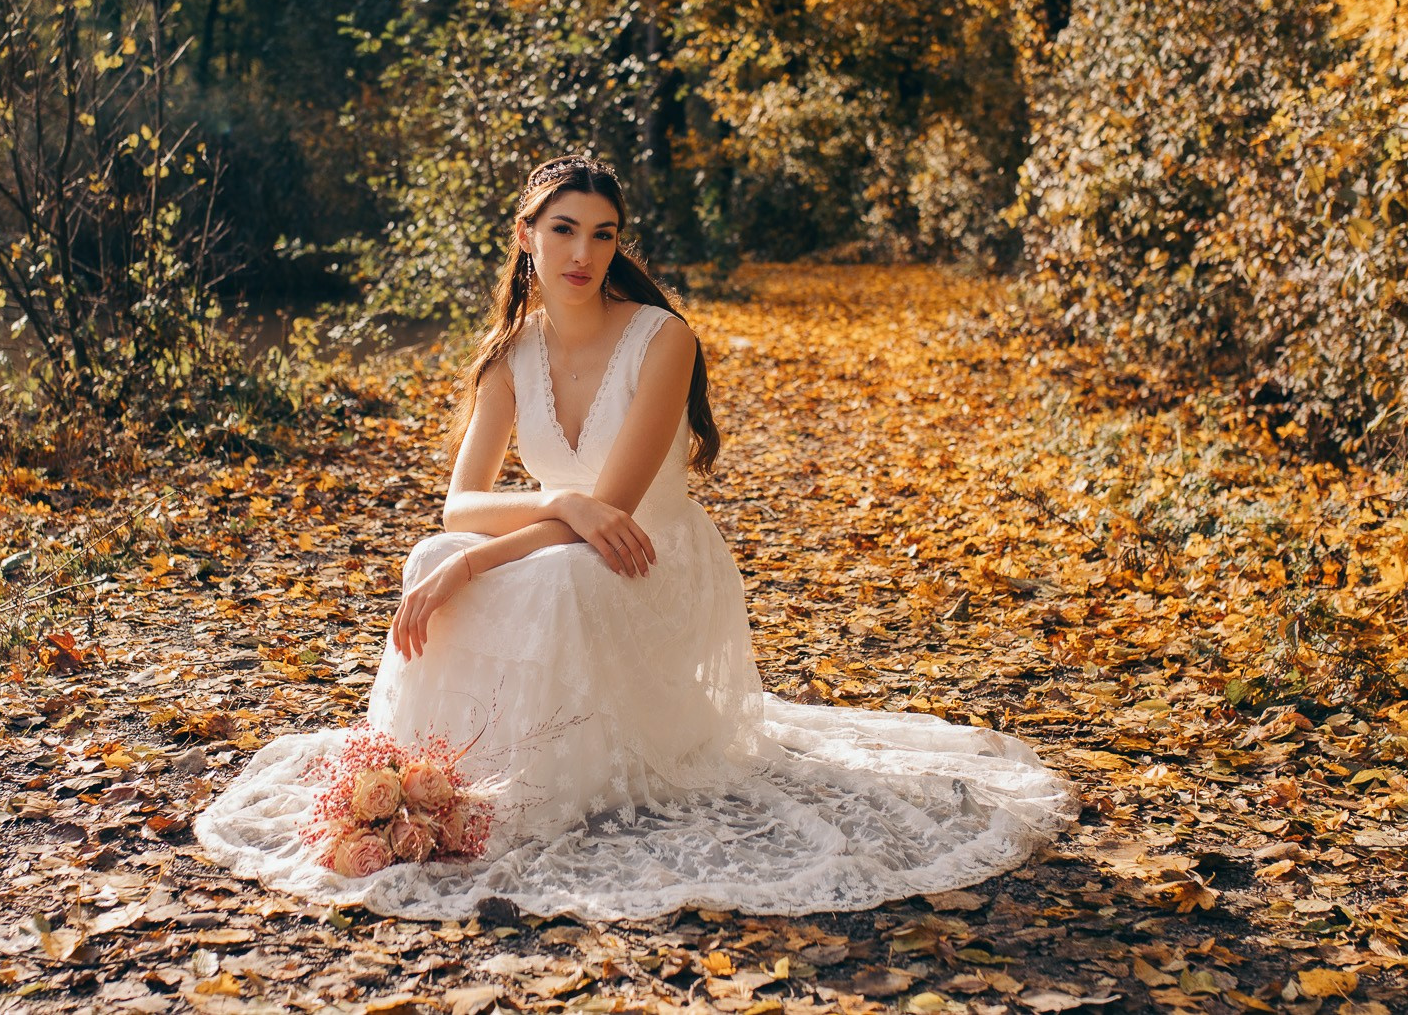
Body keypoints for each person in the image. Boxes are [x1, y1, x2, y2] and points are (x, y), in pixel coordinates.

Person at [193, 155, 1078, 920]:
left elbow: (611, 512)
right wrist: (527, 524)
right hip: (576, 540)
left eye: (605, 234)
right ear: (525, 235)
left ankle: (536, 789)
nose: (584, 254)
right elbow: (458, 502)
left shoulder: (665, 340)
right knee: (432, 556)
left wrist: (494, 547)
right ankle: (441, 778)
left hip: (649, 560)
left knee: (532, 573)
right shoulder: (509, 357)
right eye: (565, 230)